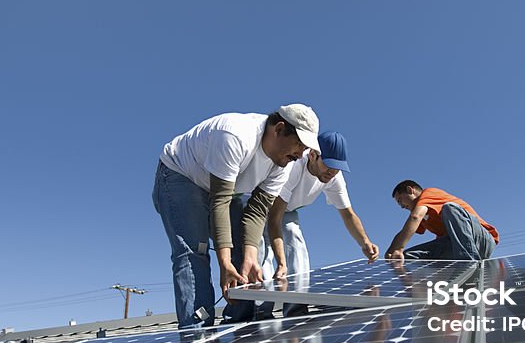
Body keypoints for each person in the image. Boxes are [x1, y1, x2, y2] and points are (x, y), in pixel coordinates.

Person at [153, 105, 320, 328]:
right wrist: (224, 263)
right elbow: (219, 200)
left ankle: (240, 326)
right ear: (279, 129)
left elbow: (258, 210)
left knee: (244, 254)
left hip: (226, 189)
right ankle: (197, 332)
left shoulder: (284, 162)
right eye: (299, 144)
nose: (301, 154)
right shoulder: (235, 136)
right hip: (182, 175)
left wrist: (250, 258)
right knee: (196, 250)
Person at [261, 131, 379, 316]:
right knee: (264, 252)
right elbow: (274, 218)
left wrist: (365, 242)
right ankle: (261, 309)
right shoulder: (293, 167)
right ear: (313, 155)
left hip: (288, 210)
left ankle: (296, 308)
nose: (332, 172)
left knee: (295, 239)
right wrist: (281, 262)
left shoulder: (333, 177)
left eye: (338, 168)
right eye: (329, 165)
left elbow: (348, 214)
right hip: (262, 206)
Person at [384, 180, 499, 262]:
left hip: (481, 239)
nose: (401, 206)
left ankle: (468, 262)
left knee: (450, 208)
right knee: (408, 256)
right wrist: (390, 253)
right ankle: (430, 285)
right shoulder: (422, 217)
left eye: (400, 200)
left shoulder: (429, 193)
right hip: (455, 246)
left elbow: (415, 217)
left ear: (410, 190)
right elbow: (404, 231)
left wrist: (399, 248)